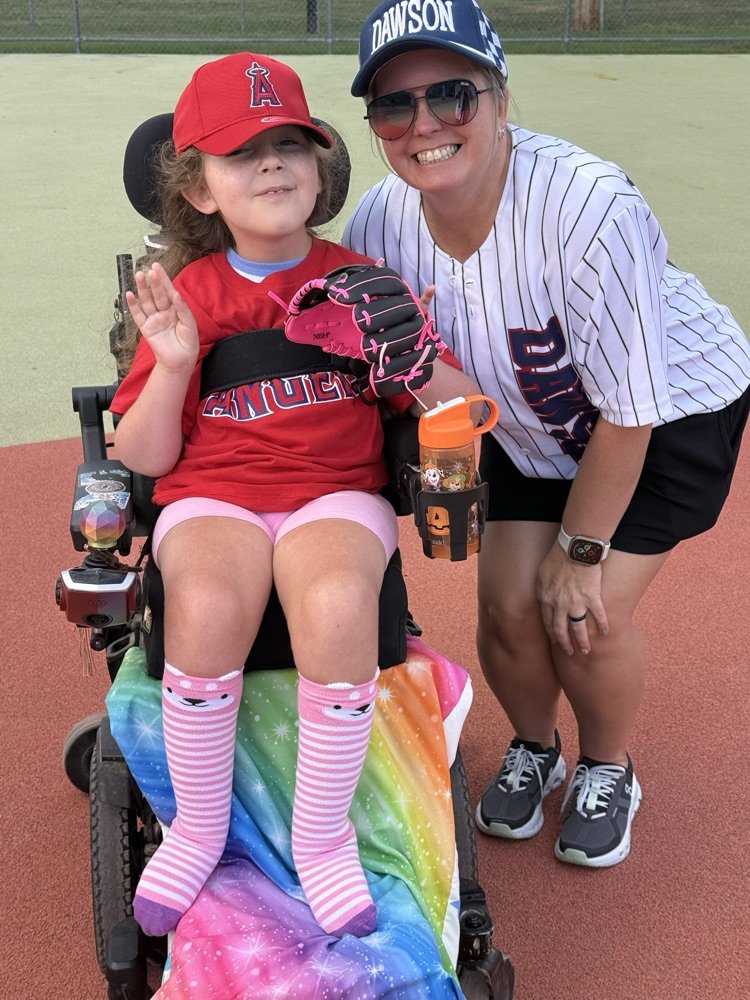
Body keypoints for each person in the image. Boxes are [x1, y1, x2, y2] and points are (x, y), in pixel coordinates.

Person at [343, 0, 750, 868]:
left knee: (579, 613)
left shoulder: (587, 205)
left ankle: (609, 766)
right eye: (394, 105)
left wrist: (582, 549)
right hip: (525, 414)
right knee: (504, 609)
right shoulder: (377, 224)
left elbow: (630, 409)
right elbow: (408, 374)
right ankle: (537, 746)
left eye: (451, 94)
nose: (424, 125)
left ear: (498, 95)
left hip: (668, 415)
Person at [110, 51, 468, 939]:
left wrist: (415, 364)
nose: (272, 163)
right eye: (242, 152)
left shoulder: (364, 283)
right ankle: (199, 829)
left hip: (334, 492)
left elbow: (460, 414)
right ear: (199, 190)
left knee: (342, 596)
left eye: (290, 145)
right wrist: (175, 363)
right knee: (202, 598)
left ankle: (321, 835)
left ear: (319, 169)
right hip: (214, 493)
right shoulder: (188, 297)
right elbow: (145, 457)